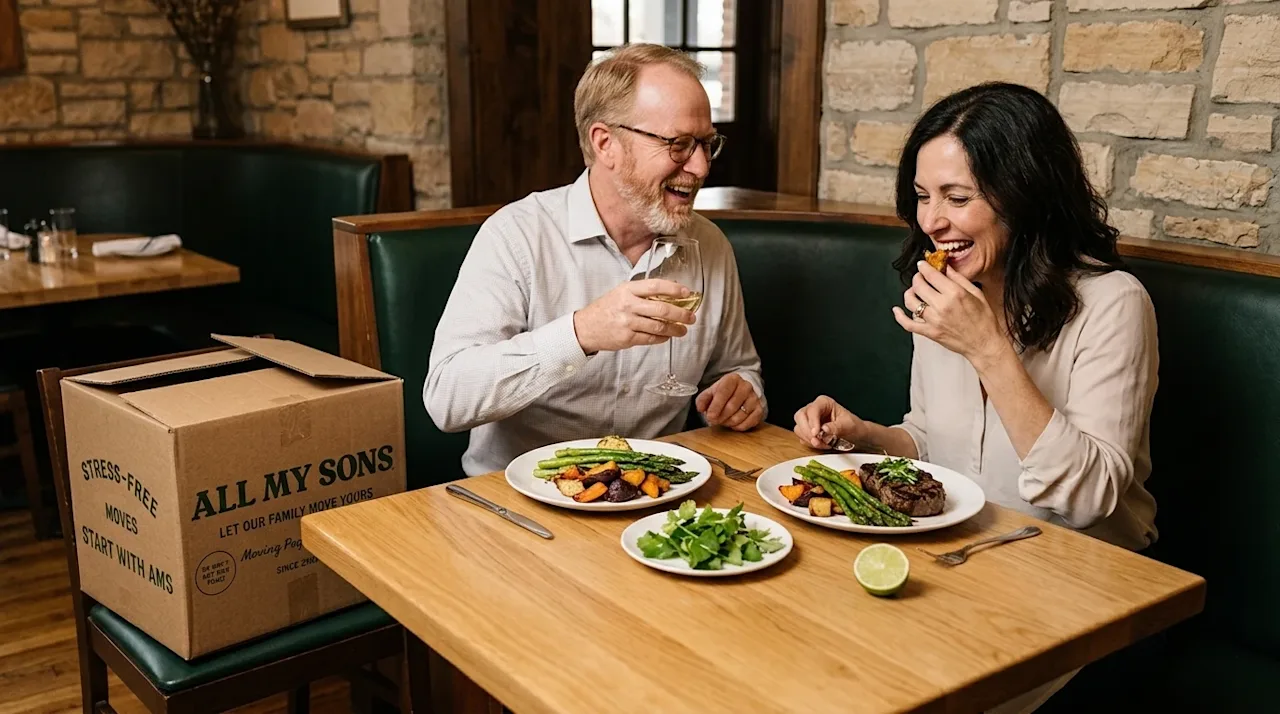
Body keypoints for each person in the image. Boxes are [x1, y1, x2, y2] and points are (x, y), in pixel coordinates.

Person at [793, 82, 1160, 713]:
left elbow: (1090, 500)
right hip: (968, 561)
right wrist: (866, 435)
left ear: (1025, 195)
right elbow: (936, 444)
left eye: (957, 198)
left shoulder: (1113, 304)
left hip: (1082, 589)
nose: (932, 221)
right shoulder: (947, 288)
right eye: (922, 197)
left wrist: (989, 349)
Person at [425, 43, 766, 477]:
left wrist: (741, 393)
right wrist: (580, 333)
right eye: (678, 145)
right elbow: (446, 400)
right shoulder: (517, 236)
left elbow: (738, 368)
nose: (700, 166)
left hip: (656, 498)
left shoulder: (709, 245)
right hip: (519, 504)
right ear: (605, 143)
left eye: (706, 143)